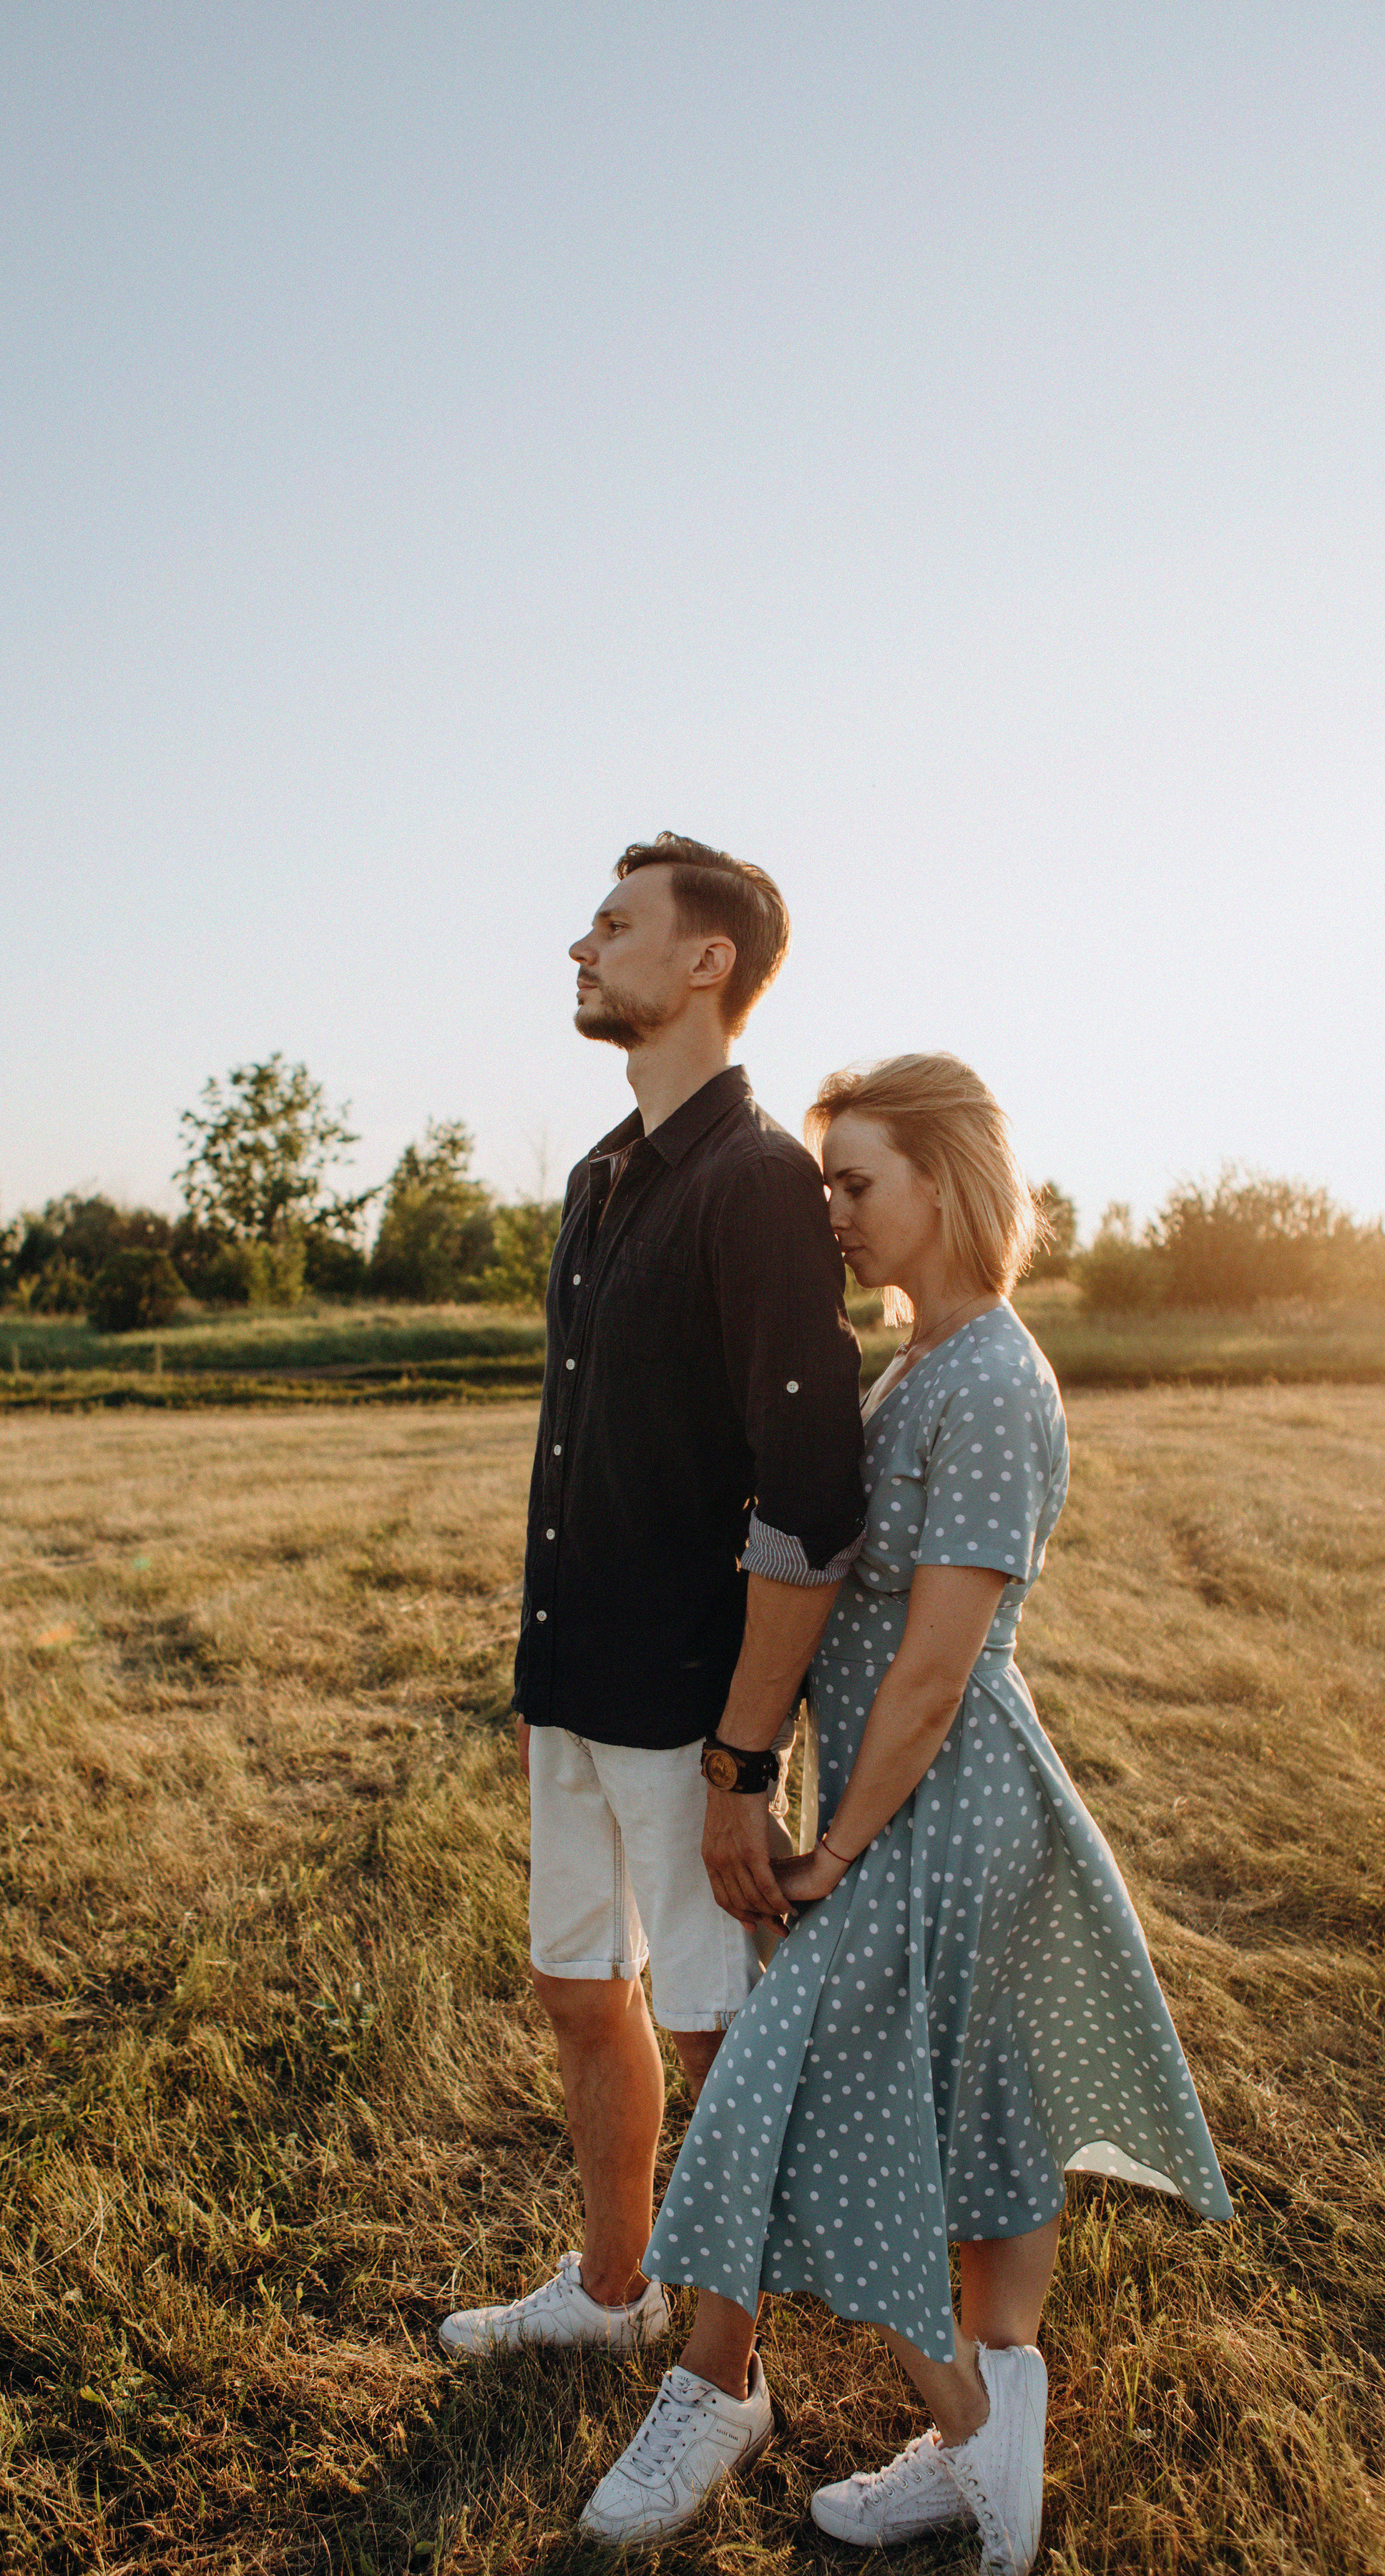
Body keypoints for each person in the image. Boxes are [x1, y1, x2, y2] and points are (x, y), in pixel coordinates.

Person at [579, 1052, 1232, 2576]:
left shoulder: (994, 1378)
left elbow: (934, 1670)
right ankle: (979, 2434)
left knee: (784, 2102)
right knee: (962, 2112)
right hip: (906, 1798)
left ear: (942, 1184)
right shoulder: (923, 1365)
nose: (833, 1215)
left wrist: (834, 1846)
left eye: (854, 1183)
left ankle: (959, 2430)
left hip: (937, 1800)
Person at [438, 836, 866, 2405]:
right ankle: (610, 2289)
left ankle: (724, 2385)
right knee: (575, 1990)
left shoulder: (757, 1183)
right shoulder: (603, 1173)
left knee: (715, 2045)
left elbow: (809, 1489)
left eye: (613, 925)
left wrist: (740, 1763)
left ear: (704, 964)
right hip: (573, 1680)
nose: (579, 946)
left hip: (688, 1714)